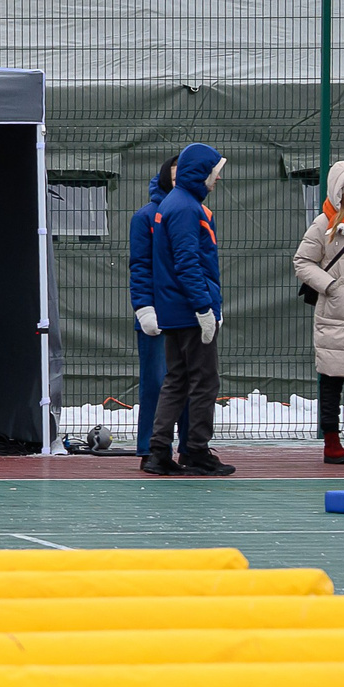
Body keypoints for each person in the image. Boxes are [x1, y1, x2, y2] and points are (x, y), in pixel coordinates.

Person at [142, 142, 233, 477]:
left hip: (174, 310)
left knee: (176, 380)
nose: (217, 179)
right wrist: (204, 308)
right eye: (214, 173)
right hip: (190, 311)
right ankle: (196, 450)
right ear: (200, 172)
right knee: (204, 381)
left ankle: (159, 451)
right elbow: (188, 263)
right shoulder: (186, 208)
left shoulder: (174, 204)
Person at [294, 158, 344, 465]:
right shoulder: (324, 224)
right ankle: (331, 441)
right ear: (338, 192)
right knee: (332, 380)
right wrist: (331, 285)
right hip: (335, 313)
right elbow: (303, 261)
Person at [126, 154, 184, 458]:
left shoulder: (198, 212)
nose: (177, 185)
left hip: (187, 314)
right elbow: (140, 267)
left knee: (191, 382)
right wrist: (145, 309)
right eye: (173, 179)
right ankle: (150, 446)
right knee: (156, 383)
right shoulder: (145, 217)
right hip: (156, 317)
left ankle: (190, 446)